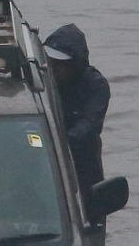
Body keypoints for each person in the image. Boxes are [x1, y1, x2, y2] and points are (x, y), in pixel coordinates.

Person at [42, 23, 110, 197]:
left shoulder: (96, 86)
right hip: (44, 160)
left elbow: (89, 126)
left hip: (83, 164)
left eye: (60, 64)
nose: (54, 69)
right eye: (51, 62)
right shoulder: (43, 81)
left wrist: (57, 143)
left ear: (75, 64)